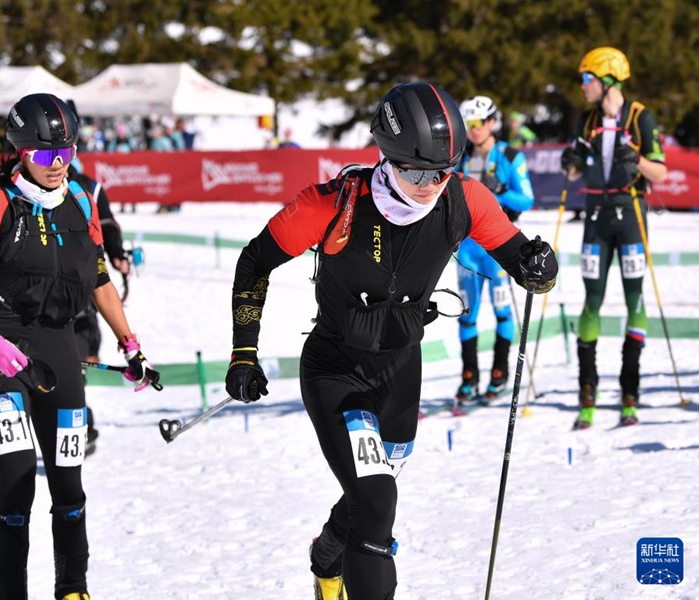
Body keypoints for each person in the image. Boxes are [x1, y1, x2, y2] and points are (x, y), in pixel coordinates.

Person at [223, 82, 558, 600]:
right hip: (337, 368)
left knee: (371, 495)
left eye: (443, 171)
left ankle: (326, 556)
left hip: (401, 371)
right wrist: (244, 352)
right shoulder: (333, 203)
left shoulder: (464, 199)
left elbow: (521, 260)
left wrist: (539, 267)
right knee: (377, 502)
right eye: (418, 171)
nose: (431, 184)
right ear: (388, 156)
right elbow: (254, 262)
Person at [0, 93, 160, 600]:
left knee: (70, 488)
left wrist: (131, 345)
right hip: (5, 362)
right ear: (21, 153)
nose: (58, 165)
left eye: (66, 152)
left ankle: (72, 589)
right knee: (18, 487)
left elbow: (100, 278)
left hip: (62, 356)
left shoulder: (80, 201)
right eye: (45, 156)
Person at [560, 47, 667, 429]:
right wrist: (570, 164)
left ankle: (630, 394)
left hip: (632, 216)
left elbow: (660, 175)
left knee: (635, 297)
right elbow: (572, 174)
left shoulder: (640, 117)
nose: (582, 86)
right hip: (595, 218)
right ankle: (587, 395)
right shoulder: (585, 120)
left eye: (587, 79)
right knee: (592, 300)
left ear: (607, 81)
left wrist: (635, 158)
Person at [454, 96, 535, 403]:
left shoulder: (509, 156)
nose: (474, 130)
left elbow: (526, 198)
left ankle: (499, 373)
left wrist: (498, 190)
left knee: (502, 309)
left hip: (498, 246)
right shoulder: (460, 157)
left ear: (491, 123)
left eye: (478, 124)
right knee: (466, 312)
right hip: (466, 248)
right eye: (469, 125)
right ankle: (469, 378)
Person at [69, 156, 131, 456]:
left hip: (82, 297)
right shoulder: (24, 188)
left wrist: (117, 253)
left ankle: (82, 431)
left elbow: (107, 223)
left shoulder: (89, 188)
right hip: (38, 305)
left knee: (73, 374)